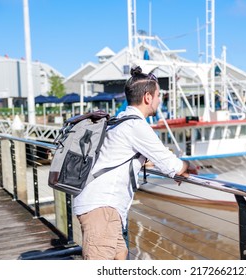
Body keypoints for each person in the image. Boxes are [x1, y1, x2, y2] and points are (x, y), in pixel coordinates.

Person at [73, 65, 197, 260]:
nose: (159, 100)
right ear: (148, 97)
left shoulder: (119, 120)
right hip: (102, 208)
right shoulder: (135, 125)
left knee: (120, 255)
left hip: (101, 207)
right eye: (158, 95)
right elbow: (170, 163)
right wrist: (188, 167)